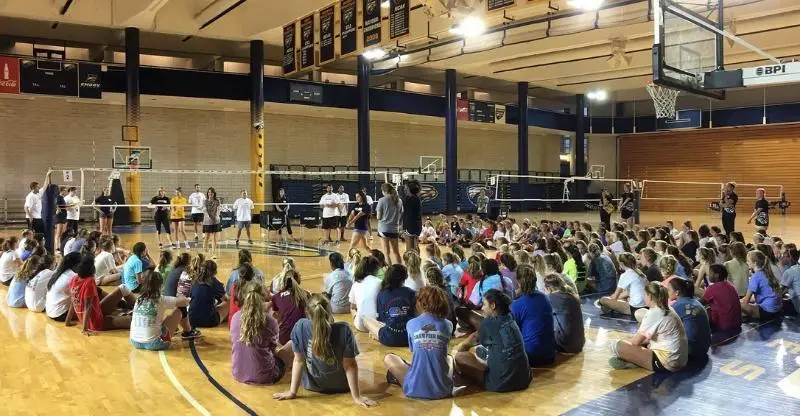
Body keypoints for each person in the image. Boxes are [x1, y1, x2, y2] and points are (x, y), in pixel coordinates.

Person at [272, 294, 377, 408]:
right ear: (329, 311)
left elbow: (298, 361)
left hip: (312, 386)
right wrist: (357, 397)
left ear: (307, 312)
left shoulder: (300, 326)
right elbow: (350, 366)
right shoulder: (344, 329)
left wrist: (292, 392)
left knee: (292, 345)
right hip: (341, 387)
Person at [383, 286, 463, 400]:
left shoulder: (411, 323)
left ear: (420, 303)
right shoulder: (448, 325)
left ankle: (403, 376)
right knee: (449, 358)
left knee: (389, 357)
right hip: (443, 391)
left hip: (414, 389)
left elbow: (414, 350)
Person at [454, 289, 532, 392]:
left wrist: (461, 347)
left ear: (493, 306)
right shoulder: (509, 317)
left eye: (484, 304)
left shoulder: (488, 324)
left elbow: (471, 340)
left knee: (460, 357)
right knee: (485, 350)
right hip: (524, 379)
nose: (482, 308)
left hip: (500, 384)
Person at [608, 282, 688, 372]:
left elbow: (635, 342)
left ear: (649, 296)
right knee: (645, 342)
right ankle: (635, 360)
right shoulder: (668, 308)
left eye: (645, 295)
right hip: (680, 360)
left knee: (616, 345)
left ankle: (634, 361)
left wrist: (626, 343)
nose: (644, 297)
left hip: (668, 363)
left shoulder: (653, 313)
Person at [231, 281, 294, 385]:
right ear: (263, 299)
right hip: (265, 376)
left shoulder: (235, 317)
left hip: (238, 373)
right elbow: (273, 351)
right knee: (292, 344)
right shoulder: (269, 321)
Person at [65, 255, 136, 334]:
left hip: (95, 313)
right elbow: (87, 307)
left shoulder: (74, 279)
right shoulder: (89, 281)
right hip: (96, 323)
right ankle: (139, 310)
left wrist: (67, 321)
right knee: (134, 321)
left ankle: (139, 307)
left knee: (123, 288)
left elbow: (73, 302)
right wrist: (85, 329)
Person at [129, 269, 194, 350]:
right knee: (178, 312)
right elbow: (185, 302)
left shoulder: (138, 299)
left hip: (135, 341)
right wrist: (189, 295)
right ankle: (188, 332)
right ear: (161, 285)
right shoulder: (162, 299)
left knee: (158, 318)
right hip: (154, 344)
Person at [511, 264, 556, 366]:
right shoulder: (545, 297)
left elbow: (512, 332)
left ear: (518, 282)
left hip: (531, 357)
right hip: (549, 354)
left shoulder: (517, 304)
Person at [364, 265, 416, 347]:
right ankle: (378, 336)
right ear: (405, 278)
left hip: (389, 338)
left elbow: (382, 318)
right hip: (410, 338)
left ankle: (377, 336)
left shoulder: (382, 293)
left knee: (367, 320)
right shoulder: (412, 293)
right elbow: (415, 315)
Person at [667, 278, 711, 361]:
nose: (667, 292)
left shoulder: (677, 306)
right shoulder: (696, 302)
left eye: (668, 290)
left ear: (677, 292)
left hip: (691, 351)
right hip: (704, 347)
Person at [162, 252, 202, 339]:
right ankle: (187, 331)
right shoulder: (185, 271)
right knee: (183, 306)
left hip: (166, 297)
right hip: (173, 299)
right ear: (188, 261)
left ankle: (175, 325)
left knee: (181, 303)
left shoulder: (174, 269)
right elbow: (187, 289)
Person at [542, 273, 585, 354]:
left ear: (549, 289)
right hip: (579, 343)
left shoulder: (551, 298)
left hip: (566, 346)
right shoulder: (571, 295)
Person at [598, 252, 648, 317]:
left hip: (635, 308)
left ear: (621, 263)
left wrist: (609, 299)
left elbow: (615, 296)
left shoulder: (625, 275)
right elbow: (627, 293)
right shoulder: (640, 273)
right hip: (646, 306)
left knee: (603, 300)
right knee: (621, 299)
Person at [740, 250, 782, 320]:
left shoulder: (755, 276)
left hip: (767, 311)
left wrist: (739, 302)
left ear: (755, 263)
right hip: (777, 309)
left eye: (748, 261)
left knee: (738, 304)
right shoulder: (767, 273)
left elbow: (746, 301)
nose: (747, 262)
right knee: (750, 299)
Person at [700, 264, 742, 332]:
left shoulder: (711, 288)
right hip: (737, 323)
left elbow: (701, 302)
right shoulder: (731, 286)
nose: (708, 275)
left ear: (716, 275)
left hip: (723, 326)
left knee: (704, 310)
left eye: (710, 273)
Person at [188, 260, 228, 328]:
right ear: (215, 271)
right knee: (227, 303)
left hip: (191, 320)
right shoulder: (214, 282)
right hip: (209, 321)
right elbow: (225, 299)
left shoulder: (194, 280)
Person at [272, 270, 308, 345]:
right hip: (303, 336)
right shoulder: (305, 294)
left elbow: (278, 319)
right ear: (298, 281)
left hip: (284, 337)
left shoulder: (276, 297)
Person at [349, 256, 383, 332]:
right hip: (377, 325)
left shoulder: (356, 284)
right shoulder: (379, 282)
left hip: (359, 325)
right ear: (375, 268)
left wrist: (355, 317)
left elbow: (352, 307)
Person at [45, 252, 81, 321]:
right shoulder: (73, 276)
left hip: (50, 311)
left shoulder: (59, 272)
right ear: (76, 264)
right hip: (60, 314)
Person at [376, 183, 403, 265]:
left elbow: (378, 217)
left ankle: (390, 273)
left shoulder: (382, 200)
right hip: (394, 229)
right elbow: (401, 214)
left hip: (384, 229)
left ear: (384, 191)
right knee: (396, 252)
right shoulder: (399, 200)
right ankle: (401, 271)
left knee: (386, 253)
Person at [401, 180, 422, 252]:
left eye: (406, 187)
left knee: (409, 248)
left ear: (410, 189)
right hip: (417, 224)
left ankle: (412, 262)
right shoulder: (416, 198)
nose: (405, 189)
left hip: (410, 224)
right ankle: (417, 260)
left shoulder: (408, 198)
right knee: (415, 245)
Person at [202, 187, 222, 259]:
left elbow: (218, 209)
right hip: (207, 222)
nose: (210, 194)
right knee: (207, 237)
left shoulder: (217, 200)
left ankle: (213, 253)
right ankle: (205, 250)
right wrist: (208, 216)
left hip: (215, 221)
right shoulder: (205, 201)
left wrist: (217, 216)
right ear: (207, 193)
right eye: (209, 192)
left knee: (214, 238)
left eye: (211, 192)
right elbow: (204, 210)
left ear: (214, 194)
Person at [781, 248, 800, 315]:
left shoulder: (789, 272)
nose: (782, 258)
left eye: (784, 256)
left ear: (790, 258)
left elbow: (780, 291)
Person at [54, 187, 69, 251]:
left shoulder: (62, 198)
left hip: (64, 216)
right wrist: (57, 208)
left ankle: (61, 246)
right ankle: (57, 247)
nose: (65, 192)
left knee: (63, 232)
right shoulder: (58, 197)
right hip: (59, 217)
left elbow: (63, 206)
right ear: (61, 191)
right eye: (64, 191)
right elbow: (55, 204)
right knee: (58, 233)